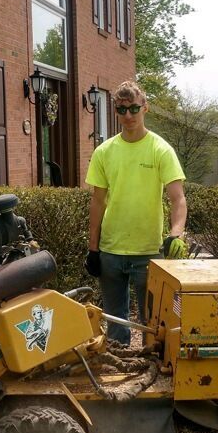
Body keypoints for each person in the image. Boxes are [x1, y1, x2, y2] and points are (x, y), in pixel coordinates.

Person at [84, 80, 186, 344]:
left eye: (133, 109)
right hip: (111, 251)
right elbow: (97, 203)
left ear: (145, 108)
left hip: (148, 252)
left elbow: (178, 199)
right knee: (114, 319)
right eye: (121, 110)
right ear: (116, 111)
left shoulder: (160, 149)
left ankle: (153, 372)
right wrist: (93, 249)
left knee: (153, 323)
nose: (128, 116)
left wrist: (176, 235)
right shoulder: (104, 152)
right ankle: (121, 367)